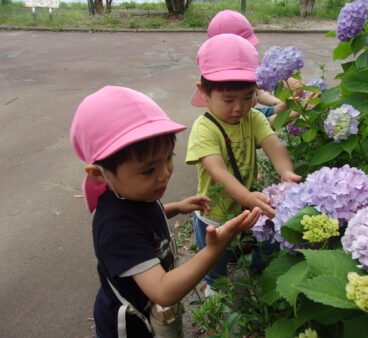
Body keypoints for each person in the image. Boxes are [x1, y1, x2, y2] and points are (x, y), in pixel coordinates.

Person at [70, 85, 261, 337]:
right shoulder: (116, 227)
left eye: (168, 158)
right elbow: (163, 290)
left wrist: (177, 207)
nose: (164, 174)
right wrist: (214, 250)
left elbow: (145, 220)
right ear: (99, 174)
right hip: (131, 325)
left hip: (151, 310)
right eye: (149, 170)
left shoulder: (133, 193)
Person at [186, 34, 302, 296]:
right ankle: (214, 292)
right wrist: (247, 196)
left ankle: (260, 286)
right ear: (204, 91)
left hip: (247, 209)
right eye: (229, 100)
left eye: (248, 97)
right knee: (215, 260)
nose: (239, 108)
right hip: (214, 216)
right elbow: (217, 171)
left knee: (254, 251)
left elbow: (273, 144)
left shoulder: (253, 118)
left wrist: (286, 172)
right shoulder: (205, 128)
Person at [207, 9, 319, 128]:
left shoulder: (246, 64)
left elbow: (258, 95)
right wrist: (298, 110)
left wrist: (281, 104)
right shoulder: (226, 106)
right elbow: (262, 126)